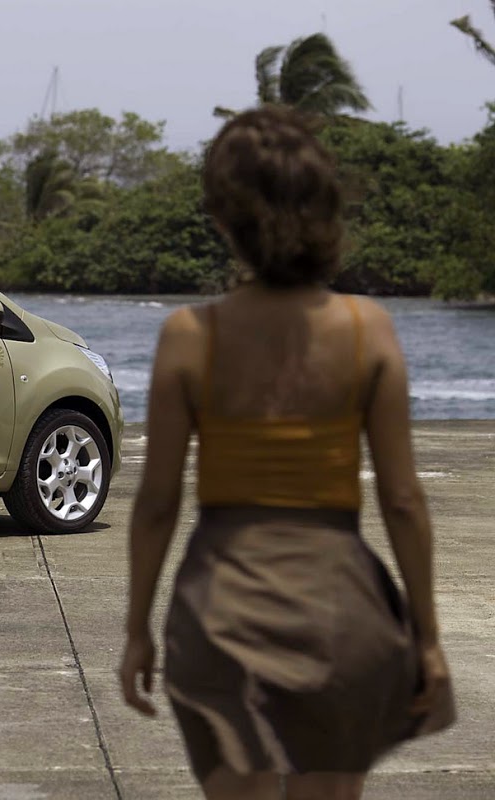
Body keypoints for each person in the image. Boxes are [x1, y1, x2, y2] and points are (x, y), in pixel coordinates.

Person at [118, 106, 455, 800]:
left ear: (224, 221)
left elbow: (156, 504)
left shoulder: (190, 336)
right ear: (325, 209)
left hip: (219, 610)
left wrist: (137, 629)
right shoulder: (367, 329)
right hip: (339, 613)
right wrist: (427, 638)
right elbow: (402, 500)